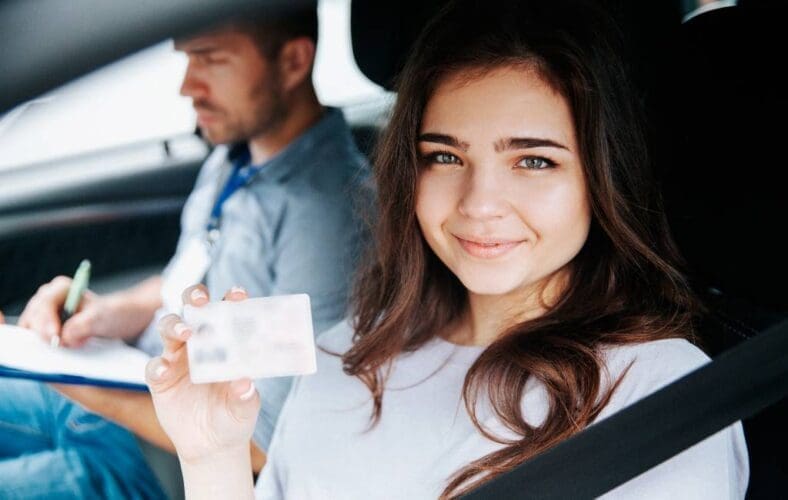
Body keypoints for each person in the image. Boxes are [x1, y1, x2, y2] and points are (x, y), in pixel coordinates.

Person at [147, 0, 749, 498]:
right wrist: (212, 456)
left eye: (533, 160)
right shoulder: (343, 354)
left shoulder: (662, 391)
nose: (479, 203)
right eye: (445, 157)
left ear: (600, 175)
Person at [0, 5, 369, 499]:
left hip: (161, 464)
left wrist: (82, 385)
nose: (187, 86)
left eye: (211, 60)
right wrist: (107, 313)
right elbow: (183, 284)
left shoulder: (327, 220)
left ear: (294, 62)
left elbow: (265, 445)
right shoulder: (237, 154)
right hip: (125, 398)